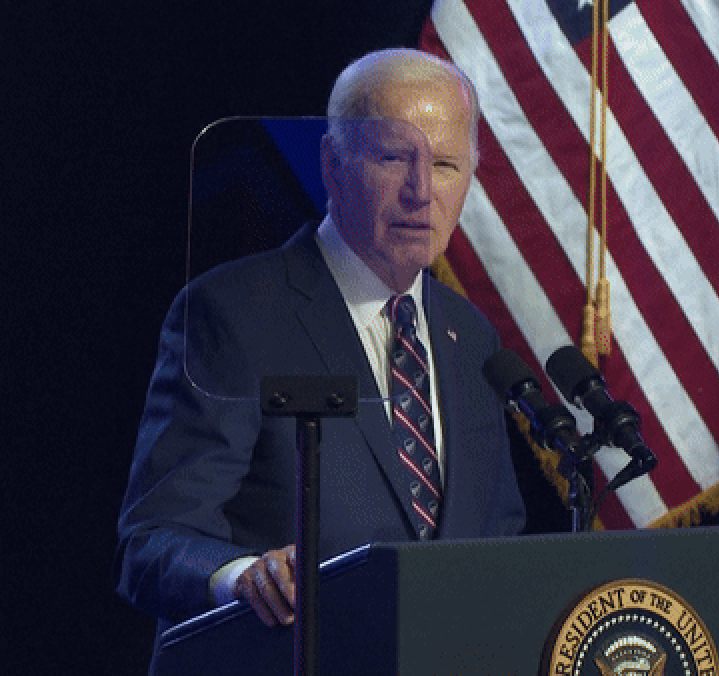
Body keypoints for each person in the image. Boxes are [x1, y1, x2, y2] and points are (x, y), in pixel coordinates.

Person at [115, 48, 525, 633]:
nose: (420, 191)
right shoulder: (233, 313)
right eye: (393, 158)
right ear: (333, 163)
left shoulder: (473, 336)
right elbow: (151, 541)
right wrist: (244, 577)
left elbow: (497, 539)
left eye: (445, 166)